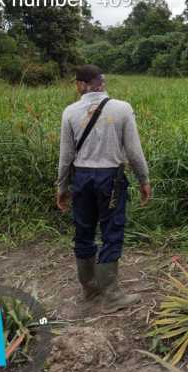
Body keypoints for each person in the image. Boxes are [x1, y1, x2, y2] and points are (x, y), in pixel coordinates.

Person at [56, 65, 152, 313]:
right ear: (102, 82)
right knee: (112, 229)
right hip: (110, 178)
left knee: (84, 229)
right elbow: (133, 150)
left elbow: (66, 155)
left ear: (80, 85)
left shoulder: (70, 112)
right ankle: (111, 295)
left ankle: (89, 288)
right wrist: (144, 179)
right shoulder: (122, 108)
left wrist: (61, 186)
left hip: (82, 178)